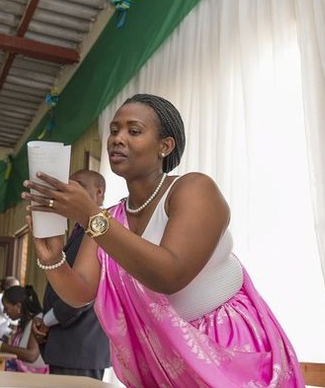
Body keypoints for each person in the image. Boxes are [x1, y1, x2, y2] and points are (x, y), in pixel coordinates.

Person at [23, 93, 304, 387]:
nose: (117, 139)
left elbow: (170, 274)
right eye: (114, 130)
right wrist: (52, 257)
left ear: (165, 146)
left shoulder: (194, 189)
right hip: (164, 356)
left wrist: (91, 217)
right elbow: (80, 292)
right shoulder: (110, 217)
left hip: (226, 346)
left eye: (134, 131)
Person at [31, 169, 111, 380]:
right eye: (68, 186)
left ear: (99, 193)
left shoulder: (102, 231)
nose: (71, 191)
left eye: (80, 186)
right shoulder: (78, 229)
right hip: (67, 345)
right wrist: (41, 316)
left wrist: (46, 321)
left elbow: (84, 292)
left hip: (80, 345)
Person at [0, 285, 48, 374]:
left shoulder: (37, 321)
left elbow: (31, 355)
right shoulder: (25, 322)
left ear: (18, 306)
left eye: (6, 308)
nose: (4, 312)